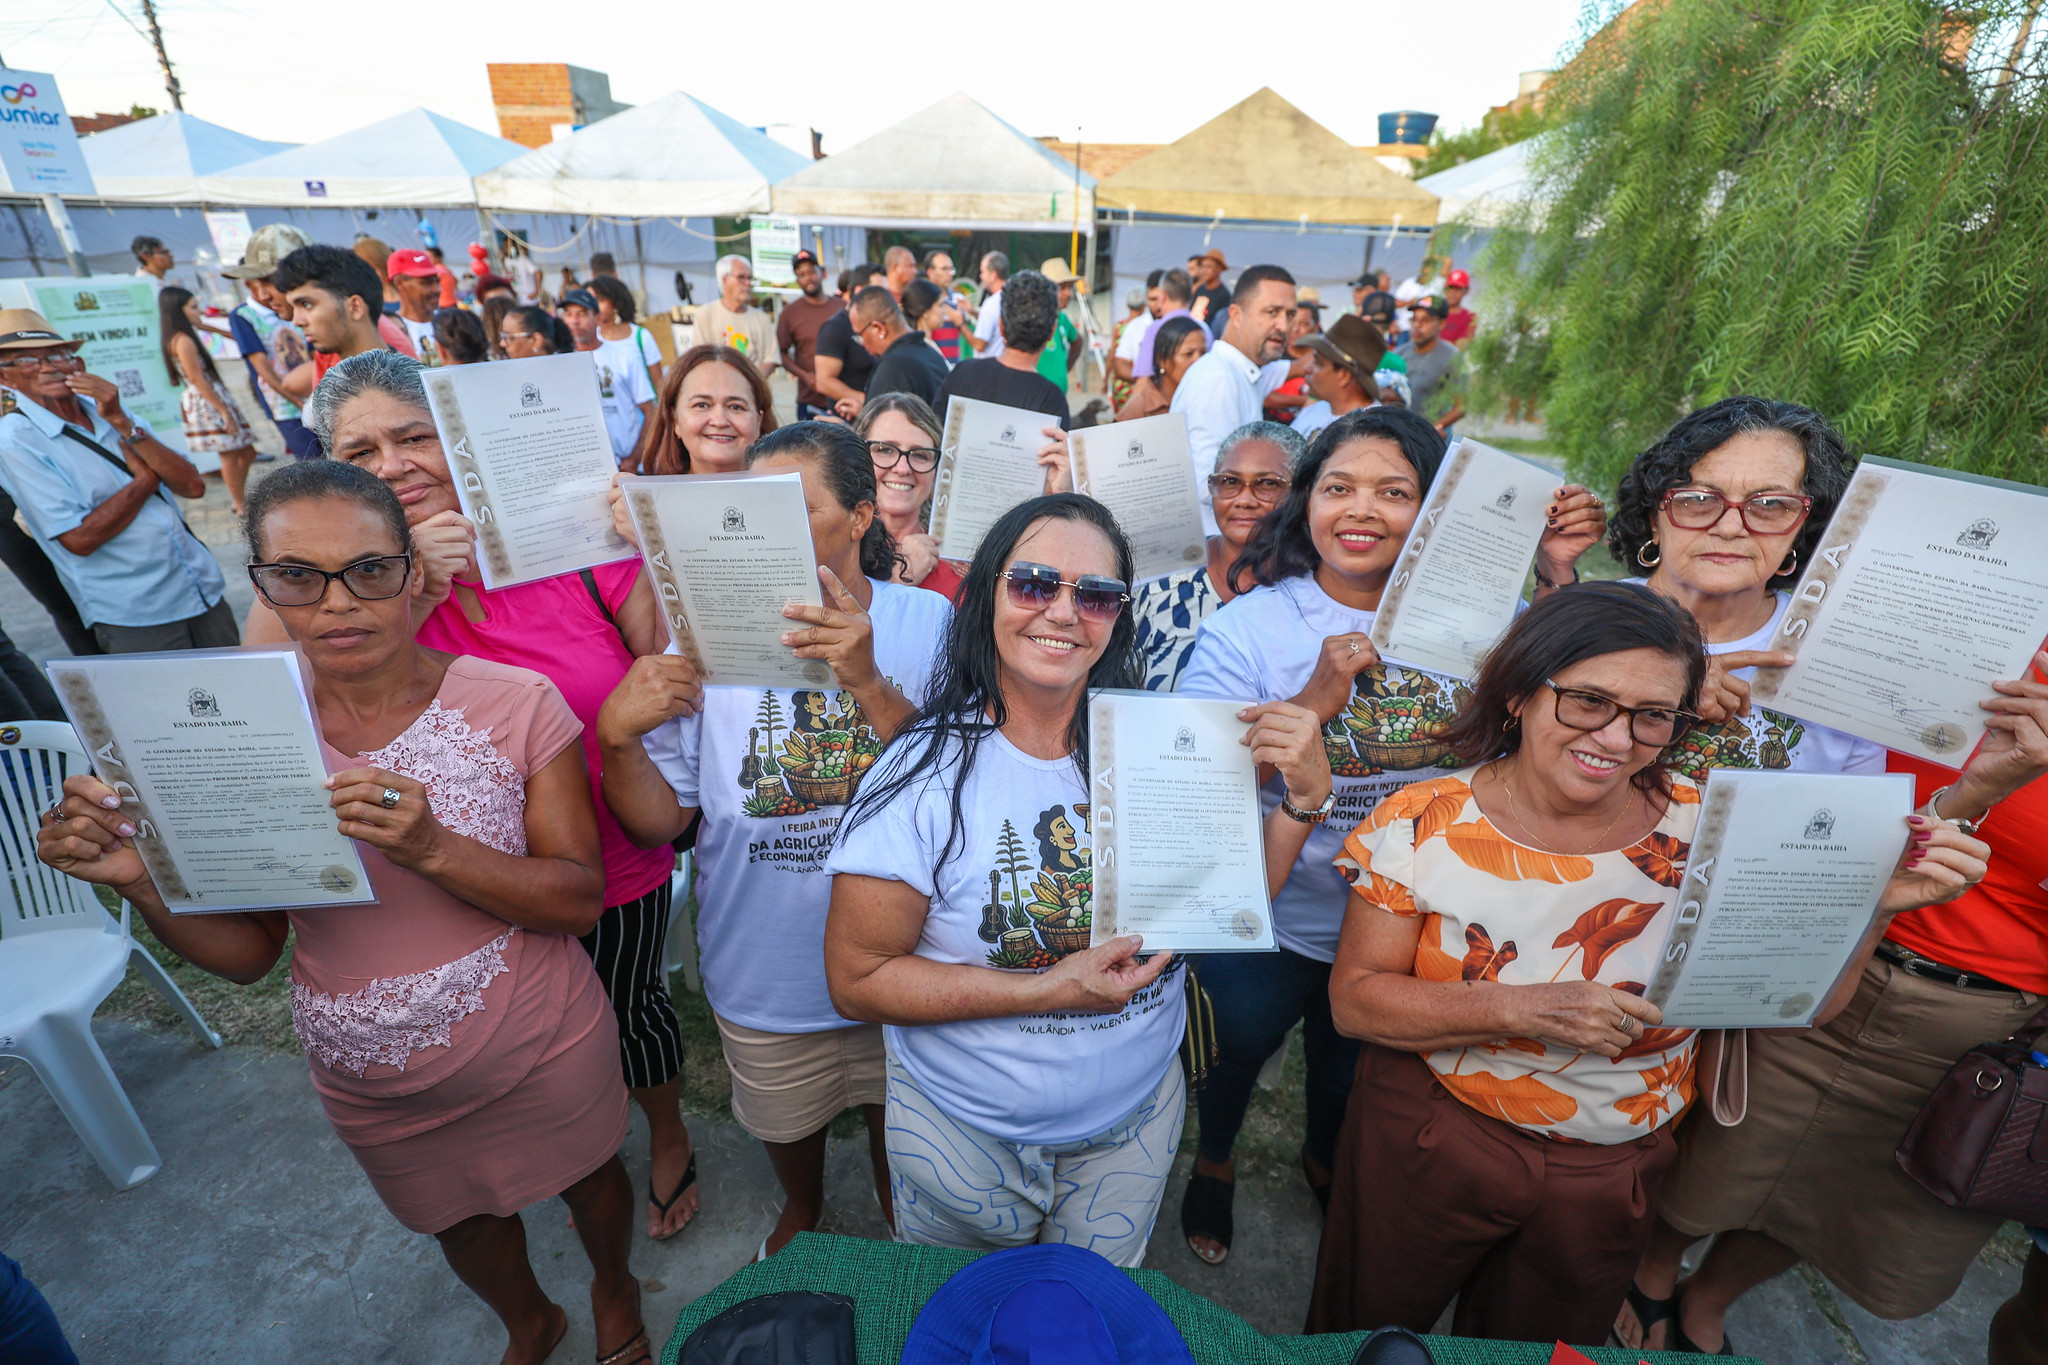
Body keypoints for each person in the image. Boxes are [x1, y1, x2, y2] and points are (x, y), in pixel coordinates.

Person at [42, 458, 652, 1365]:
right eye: (298, 575)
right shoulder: (228, 740)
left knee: (592, 1179)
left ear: (412, 571)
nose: (338, 603)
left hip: (540, 1039)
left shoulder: (515, 702)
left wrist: (434, 847)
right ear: (263, 585)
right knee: (455, 1219)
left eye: (368, 568)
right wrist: (140, 877)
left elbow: (574, 898)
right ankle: (528, 1319)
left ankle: (614, 1286)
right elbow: (252, 954)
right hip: (368, 1071)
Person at [1307, 581, 1988, 1344]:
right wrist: (1524, 1006)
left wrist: (1878, 907)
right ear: (1519, 693)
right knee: (1363, 1331)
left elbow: (1803, 1005)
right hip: (1435, 1134)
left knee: (1539, 1352)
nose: (1617, 737)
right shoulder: (1421, 818)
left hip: (1613, 1167)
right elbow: (1356, 1001)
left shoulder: (1720, 830)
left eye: (1651, 715)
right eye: (1588, 700)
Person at [244, 353, 704, 1248]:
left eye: (415, 437)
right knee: (520, 1075)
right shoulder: (317, 585)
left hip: (602, 848)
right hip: (432, 895)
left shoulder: (564, 543)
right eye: (361, 447)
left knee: (631, 1008)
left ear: (461, 442)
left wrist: (646, 541)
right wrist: (412, 586)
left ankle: (669, 1131)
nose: (394, 463)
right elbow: (276, 711)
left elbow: (665, 665)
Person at [1175, 407, 1607, 1267]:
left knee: (1349, 1070)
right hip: (1272, 922)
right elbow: (1195, 800)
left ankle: (1323, 1157)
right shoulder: (1248, 629)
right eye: (1338, 487)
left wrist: (1559, 573)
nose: (1361, 509)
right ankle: (1215, 1158)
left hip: (1413, 931)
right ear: (1307, 504)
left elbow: (1581, 706)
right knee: (1237, 1052)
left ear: (1435, 508)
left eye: (1394, 490)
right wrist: (1314, 695)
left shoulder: (1493, 619)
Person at [824, 494, 1297, 1265]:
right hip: (962, 1135)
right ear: (987, 599)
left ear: (1118, 618)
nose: (1065, 612)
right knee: (966, 1319)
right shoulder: (923, 766)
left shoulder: (1161, 746)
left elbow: (1224, 910)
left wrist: (1303, 802)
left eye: (1097, 595)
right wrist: (1048, 989)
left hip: (1130, 1128)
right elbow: (857, 978)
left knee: (1082, 1325)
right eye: (1035, 582)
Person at [601, 421, 950, 1259]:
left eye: (795, 509)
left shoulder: (930, 622)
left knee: (898, 1115)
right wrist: (617, 737)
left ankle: (900, 1211)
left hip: (906, 953)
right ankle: (803, 1206)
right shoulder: (703, 637)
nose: (768, 533)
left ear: (864, 514)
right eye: (754, 510)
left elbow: (952, 787)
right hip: (763, 958)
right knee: (783, 1116)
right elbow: (664, 820)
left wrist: (864, 680)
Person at [0, 309, 234, 654]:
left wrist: (122, 421)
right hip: (136, 611)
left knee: (240, 693)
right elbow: (79, 538)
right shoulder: (16, 441)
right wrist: (144, 480)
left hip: (200, 585)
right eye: (27, 361)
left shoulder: (108, 410)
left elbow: (192, 486)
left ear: (76, 364)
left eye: (57, 356)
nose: (48, 367)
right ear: (5, 379)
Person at [1131, 421, 1302, 691]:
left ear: (1301, 493)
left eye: (1267, 483)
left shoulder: (1315, 594)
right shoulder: (1156, 586)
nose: (1244, 499)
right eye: (1230, 482)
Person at [1171, 264, 1297, 534]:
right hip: (1213, 547)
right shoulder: (1219, 379)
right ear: (1236, 315)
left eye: (1290, 314)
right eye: (1272, 312)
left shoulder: (1242, 373)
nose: (1284, 326)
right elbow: (1205, 483)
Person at [223, 223, 322, 460]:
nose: (267, 293)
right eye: (261, 282)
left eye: (271, 281)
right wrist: (297, 402)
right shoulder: (244, 316)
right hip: (285, 405)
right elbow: (263, 369)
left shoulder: (290, 310)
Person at [159, 287, 259, 517]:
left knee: (246, 451)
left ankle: (239, 496)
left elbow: (233, 337)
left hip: (211, 396)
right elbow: (196, 378)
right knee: (230, 454)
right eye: (193, 307)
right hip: (207, 400)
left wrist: (205, 325)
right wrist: (223, 411)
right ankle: (238, 500)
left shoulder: (184, 335)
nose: (199, 311)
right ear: (178, 311)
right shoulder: (183, 340)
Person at [933, 271, 1072, 429]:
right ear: (1052, 332)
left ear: (1001, 325)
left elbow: (935, 434)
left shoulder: (962, 374)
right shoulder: (1051, 399)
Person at [853, 393, 958, 598]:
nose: (902, 468)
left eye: (919, 455)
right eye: (885, 450)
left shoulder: (959, 563)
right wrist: (899, 578)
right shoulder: (832, 549)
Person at [632, 346, 777, 476]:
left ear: (759, 421)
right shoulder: (651, 501)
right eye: (702, 405)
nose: (719, 421)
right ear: (675, 419)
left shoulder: (791, 499)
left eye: (736, 407)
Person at [275, 245, 391, 388]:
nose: (297, 321)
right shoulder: (331, 378)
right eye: (293, 307)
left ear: (355, 307)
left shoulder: (411, 388)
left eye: (307, 304)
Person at [564, 289, 656, 467]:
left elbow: (650, 410)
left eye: (582, 314)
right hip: (583, 467)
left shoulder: (622, 357)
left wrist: (634, 458)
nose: (575, 321)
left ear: (597, 318)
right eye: (568, 314)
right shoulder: (558, 362)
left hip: (627, 466)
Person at [1291, 314, 1387, 441]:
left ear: (1344, 375)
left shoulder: (1370, 433)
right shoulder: (1314, 410)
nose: (1308, 368)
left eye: (1318, 363)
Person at [851, 287, 947, 410]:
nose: (861, 343)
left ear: (878, 328)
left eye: (860, 335)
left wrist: (843, 427)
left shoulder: (892, 368)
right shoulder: (929, 352)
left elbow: (884, 427)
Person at [777, 250, 844, 421]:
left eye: (812, 271)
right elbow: (781, 353)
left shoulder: (842, 307)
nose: (809, 278)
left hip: (843, 399)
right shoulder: (789, 313)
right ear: (797, 279)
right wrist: (805, 376)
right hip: (810, 401)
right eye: (802, 274)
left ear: (821, 272)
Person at [691, 255, 777, 375]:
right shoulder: (705, 314)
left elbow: (771, 359)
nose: (747, 283)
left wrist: (752, 383)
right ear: (724, 279)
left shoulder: (761, 318)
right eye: (741, 278)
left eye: (749, 278)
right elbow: (701, 358)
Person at [814, 263, 880, 418]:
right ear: (858, 291)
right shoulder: (835, 327)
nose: (885, 297)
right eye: (879, 291)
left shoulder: (876, 325)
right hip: (846, 423)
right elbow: (824, 381)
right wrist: (870, 403)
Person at [1114, 316, 1207, 423]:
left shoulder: (1205, 398)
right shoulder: (1136, 411)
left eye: (1203, 353)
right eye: (1188, 354)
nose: (1198, 361)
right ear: (1162, 360)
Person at [1397, 296, 1466, 435]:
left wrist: (1432, 429)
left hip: (1429, 438)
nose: (1417, 325)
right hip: (1398, 432)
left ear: (1441, 324)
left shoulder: (1452, 357)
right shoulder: (1400, 352)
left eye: (1425, 320)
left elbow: (1462, 405)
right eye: (1414, 319)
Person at [589, 275, 663, 393]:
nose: (595, 307)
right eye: (591, 301)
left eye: (600, 300)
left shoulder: (640, 336)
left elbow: (659, 383)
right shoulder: (591, 338)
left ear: (616, 302)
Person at [1131, 269, 1206, 383]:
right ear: (1191, 295)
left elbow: (1144, 381)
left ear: (1163, 296)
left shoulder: (1155, 330)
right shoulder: (1204, 329)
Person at [1262, 297, 1320, 422]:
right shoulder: (1273, 354)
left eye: (1304, 324)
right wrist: (1304, 400)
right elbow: (1263, 396)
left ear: (1316, 328)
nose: (1295, 329)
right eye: (1292, 322)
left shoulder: (1322, 360)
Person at [1110, 274, 1161, 411]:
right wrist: (1149, 381)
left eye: (1160, 298)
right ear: (1145, 302)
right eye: (1152, 299)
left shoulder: (1121, 325)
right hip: (1135, 394)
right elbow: (1118, 363)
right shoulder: (1135, 326)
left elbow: (1112, 356)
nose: (1157, 305)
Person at [385, 249, 444, 364]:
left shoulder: (450, 323)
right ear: (399, 283)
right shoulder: (393, 332)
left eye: (437, 282)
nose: (437, 289)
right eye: (426, 283)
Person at [1035, 260, 1085, 393]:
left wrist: (1064, 368)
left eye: (1069, 287)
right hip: (1037, 399)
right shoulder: (1034, 319)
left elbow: (1078, 341)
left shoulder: (1062, 318)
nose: (1068, 294)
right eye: (1061, 288)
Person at [924, 251, 968, 364]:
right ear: (930, 272)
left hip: (954, 367)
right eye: (944, 269)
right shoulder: (922, 300)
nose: (950, 274)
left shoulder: (959, 299)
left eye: (951, 269)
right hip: (930, 364)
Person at [966, 252, 1010, 358]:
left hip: (990, 368)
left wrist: (960, 324)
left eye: (983, 272)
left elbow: (980, 345)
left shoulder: (991, 304)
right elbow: (996, 325)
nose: (980, 276)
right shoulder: (1013, 297)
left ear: (993, 275)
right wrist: (975, 313)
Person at [1189, 248, 1233, 331]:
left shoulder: (1224, 295)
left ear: (1219, 269)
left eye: (1209, 267)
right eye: (1203, 266)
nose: (1204, 271)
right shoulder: (1200, 289)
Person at [1440, 268, 1476, 345]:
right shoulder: (1433, 312)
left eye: (1457, 289)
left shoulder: (1470, 317)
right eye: (1449, 288)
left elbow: (1461, 346)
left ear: (1466, 291)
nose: (1452, 293)